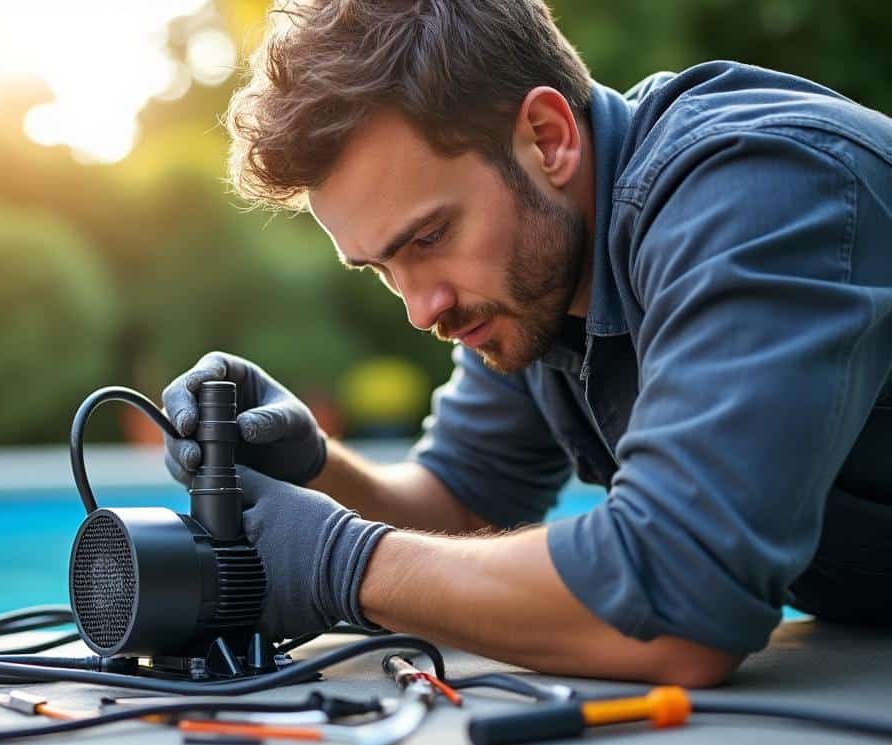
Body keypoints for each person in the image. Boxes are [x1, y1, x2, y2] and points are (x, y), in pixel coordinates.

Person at [161, 0, 892, 686]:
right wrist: (314, 468)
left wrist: (344, 566)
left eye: (430, 236)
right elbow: (462, 506)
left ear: (548, 137)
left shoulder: (760, 190)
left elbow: (681, 605)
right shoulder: (536, 284)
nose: (421, 308)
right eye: (381, 267)